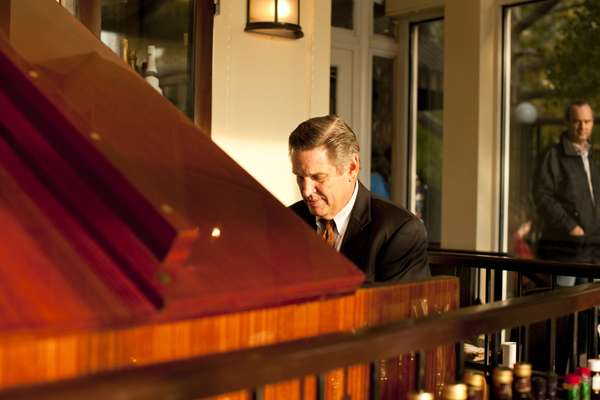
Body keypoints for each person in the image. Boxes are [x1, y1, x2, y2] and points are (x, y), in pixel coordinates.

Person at [288, 115, 430, 283]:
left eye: (318, 177)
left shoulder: (400, 231)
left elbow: (396, 306)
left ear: (352, 168)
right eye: (300, 177)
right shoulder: (288, 220)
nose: (306, 191)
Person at [533, 100, 600, 285]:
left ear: (593, 123)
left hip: (592, 251)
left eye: (587, 121)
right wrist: (571, 226)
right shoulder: (553, 155)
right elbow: (542, 196)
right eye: (577, 121)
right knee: (562, 307)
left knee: (589, 309)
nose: (582, 127)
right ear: (567, 122)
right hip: (564, 251)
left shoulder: (592, 158)